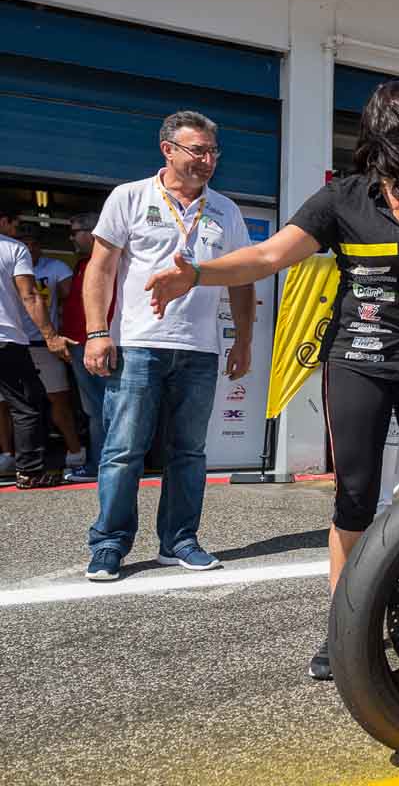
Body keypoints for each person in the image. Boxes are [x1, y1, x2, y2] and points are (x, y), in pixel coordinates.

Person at [144, 81, 399, 680]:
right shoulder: (343, 200)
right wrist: (196, 273)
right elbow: (268, 257)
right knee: (354, 495)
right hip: (357, 361)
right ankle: (344, 628)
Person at [81, 110, 256, 581]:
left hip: (199, 350)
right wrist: (98, 333)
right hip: (138, 344)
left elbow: (241, 278)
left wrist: (242, 340)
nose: (207, 160)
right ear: (167, 150)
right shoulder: (130, 197)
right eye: (196, 150)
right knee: (124, 449)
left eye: (212, 152)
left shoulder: (225, 210)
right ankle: (109, 545)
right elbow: (100, 268)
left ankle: (178, 541)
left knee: (189, 452)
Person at [0, 204, 72, 488]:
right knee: (27, 405)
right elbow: (30, 296)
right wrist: (51, 336)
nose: (17, 231)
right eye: (15, 224)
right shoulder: (13, 249)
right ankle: (29, 472)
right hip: (6, 339)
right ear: (4, 221)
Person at [18, 232, 85, 469]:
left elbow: (74, 298)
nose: (30, 248)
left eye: (34, 243)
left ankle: (75, 451)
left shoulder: (55, 267)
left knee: (59, 399)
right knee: (8, 403)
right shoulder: (8, 262)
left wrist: (58, 330)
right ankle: (9, 455)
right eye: (25, 244)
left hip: (45, 343)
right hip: (14, 342)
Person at [60, 212, 110, 482]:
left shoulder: (108, 264)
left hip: (98, 345)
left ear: (92, 232)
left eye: (75, 231)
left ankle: (101, 466)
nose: (71, 237)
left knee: (101, 407)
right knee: (95, 408)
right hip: (80, 345)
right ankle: (102, 464)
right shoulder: (83, 265)